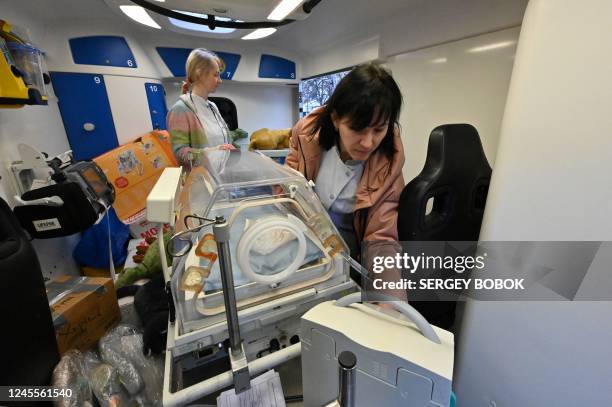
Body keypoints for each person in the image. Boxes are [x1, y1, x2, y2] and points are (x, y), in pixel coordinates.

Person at [286, 63, 405, 291]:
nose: (368, 142)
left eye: (379, 130)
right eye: (358, 129)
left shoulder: (388, 168)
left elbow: (381, 241)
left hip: (351, 256)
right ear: (336, 119)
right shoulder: (306, 137)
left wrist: (390, 298)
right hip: (304, 241)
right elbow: (287, 188)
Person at [166, 48, 235, 168]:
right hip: (199, 181)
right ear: (200, 74)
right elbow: (180, 153)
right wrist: (214, 151)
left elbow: (224, 142)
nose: (220, 81)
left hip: (219, 177)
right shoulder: (180, 110)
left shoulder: (213, 107)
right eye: (216, 75)